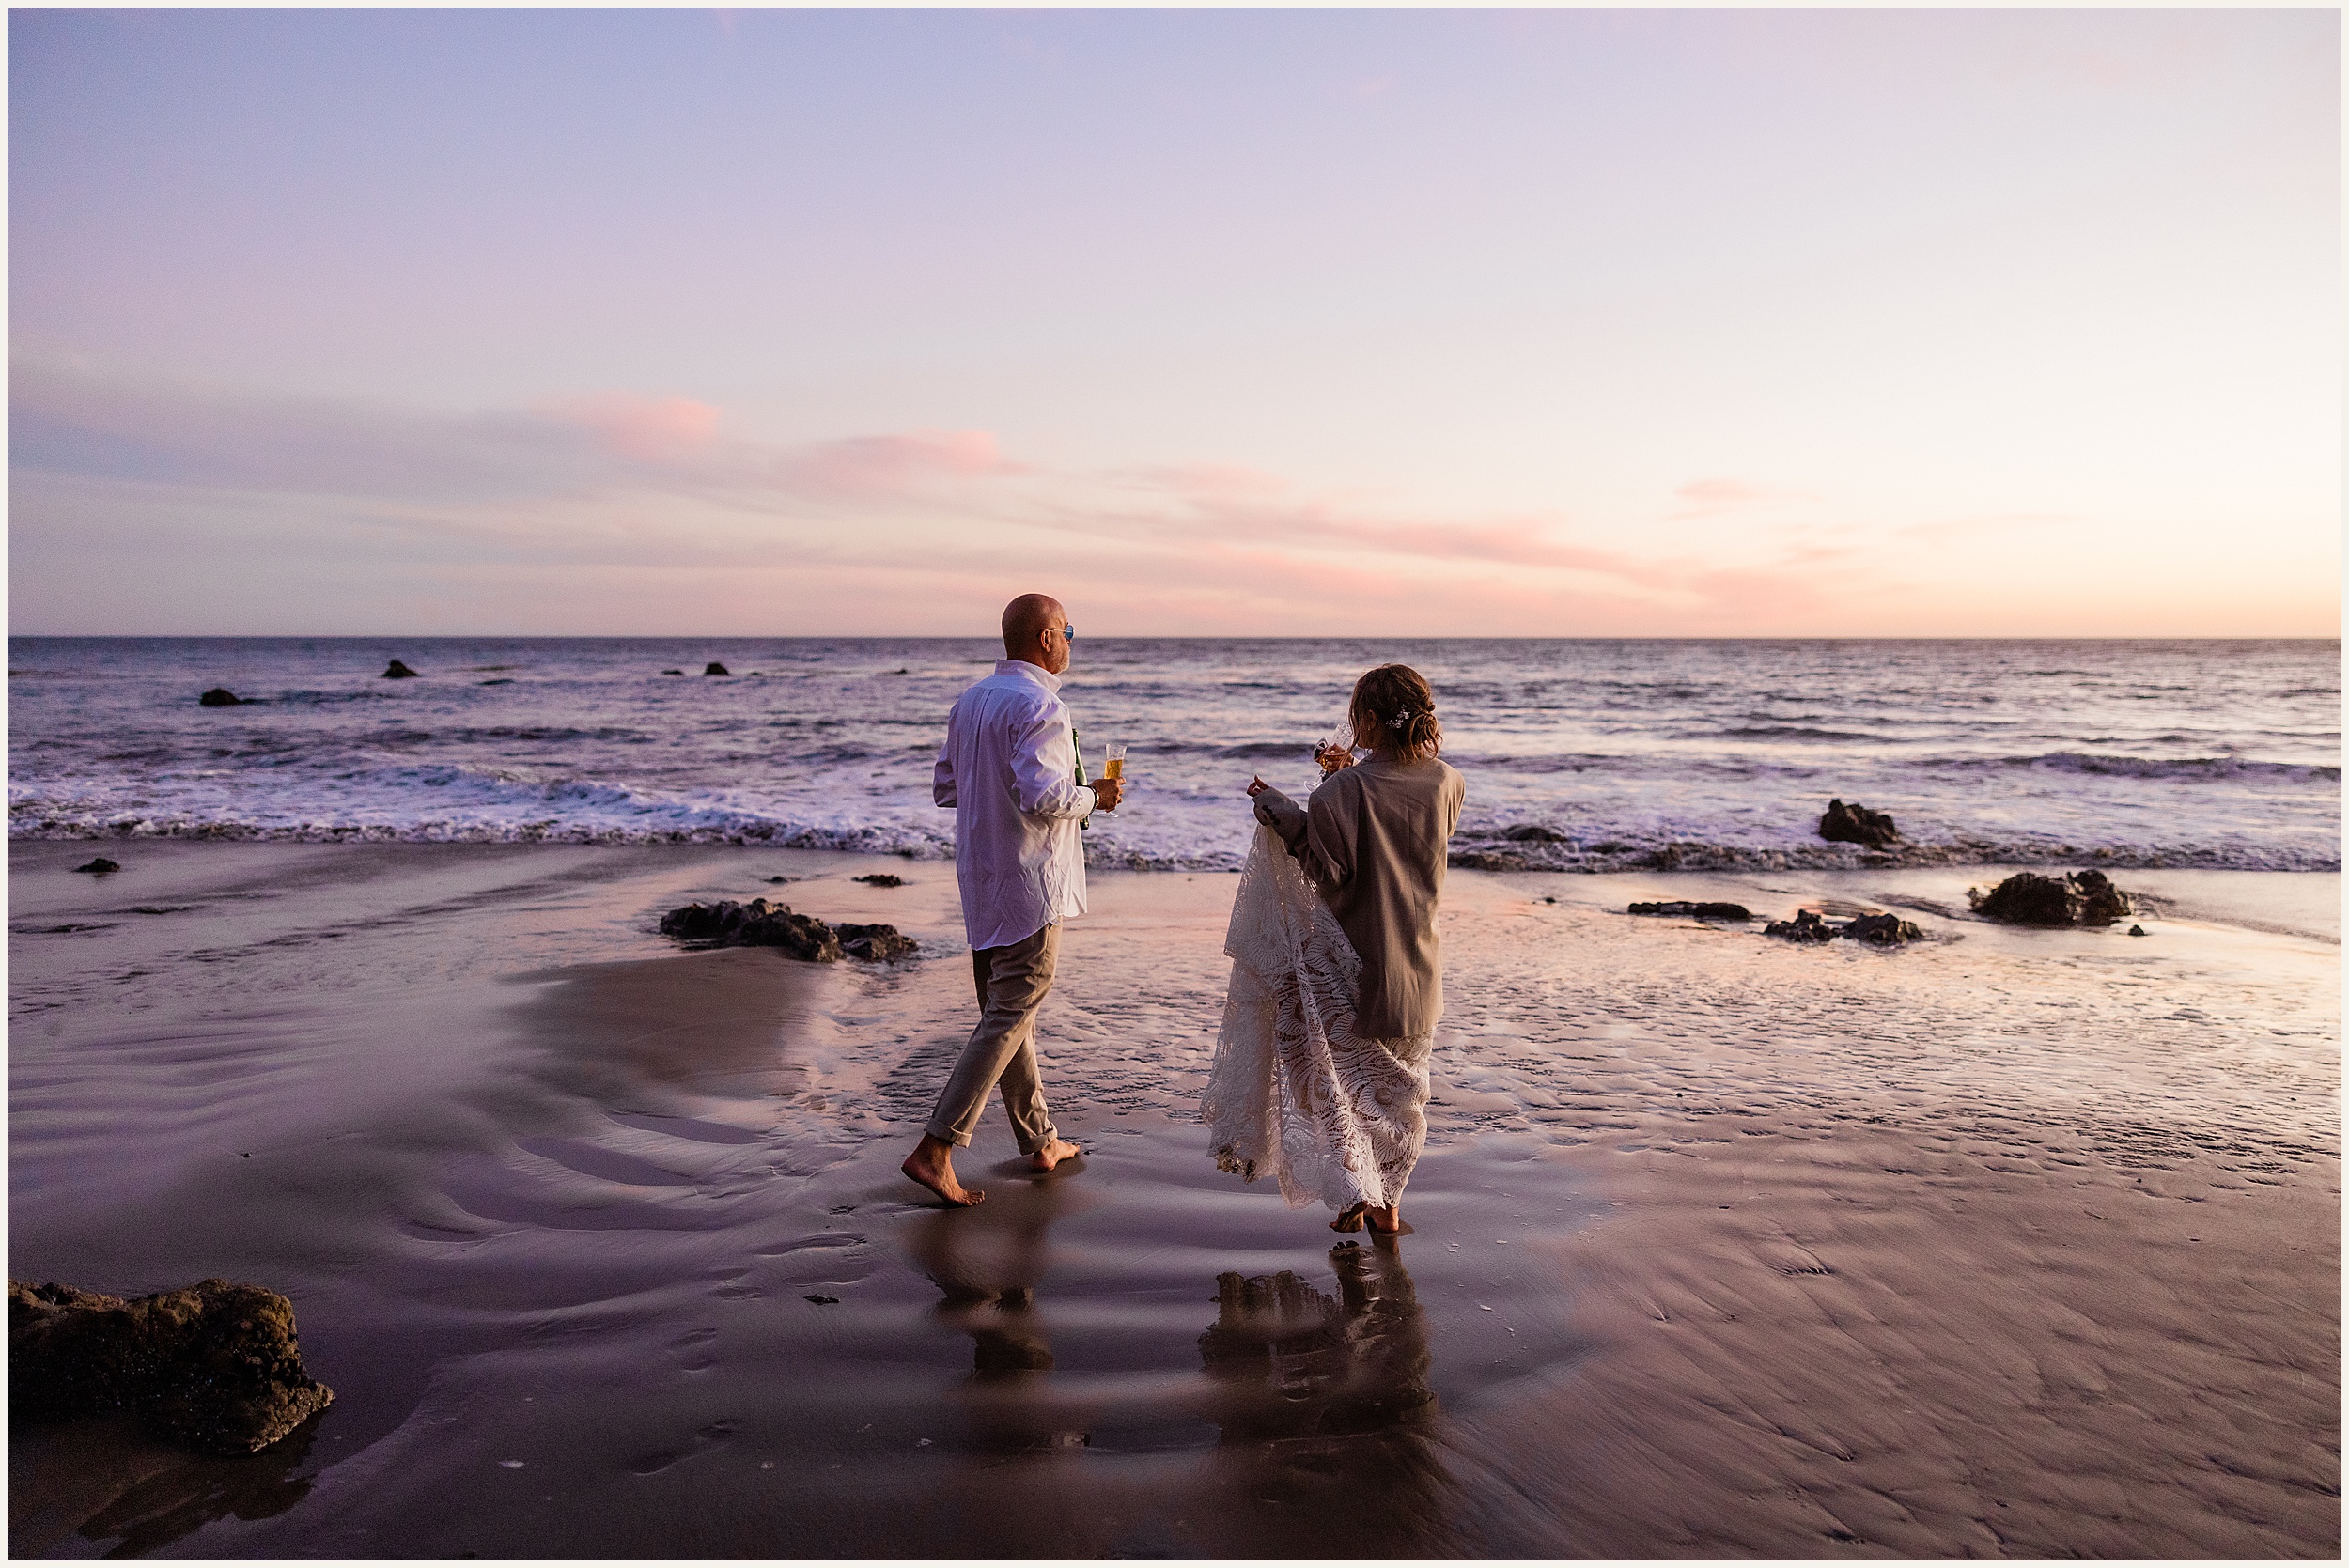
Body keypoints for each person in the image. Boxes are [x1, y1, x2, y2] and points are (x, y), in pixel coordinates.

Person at [1203, 664, 1464, 1234]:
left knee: (1318, 1066)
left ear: (1367, 720)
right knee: (1398, 1099)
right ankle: (1383, 1202)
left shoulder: (1346, 791)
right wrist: (1344, 786)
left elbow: (1328, 871)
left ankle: (1356, 1185)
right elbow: (1398, 828)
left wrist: (1283, 809)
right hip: (1417, 971)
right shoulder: (1448, 781)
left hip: (1353, 968)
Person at [900, 593, 1122, 1208]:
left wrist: (990, 788)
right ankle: (936, 1147)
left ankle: (1041, 1139)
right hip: (1029, 879)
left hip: (981, 876)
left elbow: (947, 788)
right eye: (1068, 631)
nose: (1072, 641)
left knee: (1009, 1010)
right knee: (1010, 1011)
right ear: (1046, 638)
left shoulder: (972, 701)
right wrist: (1094, 798)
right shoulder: (1041, 704)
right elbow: (1043, 798)